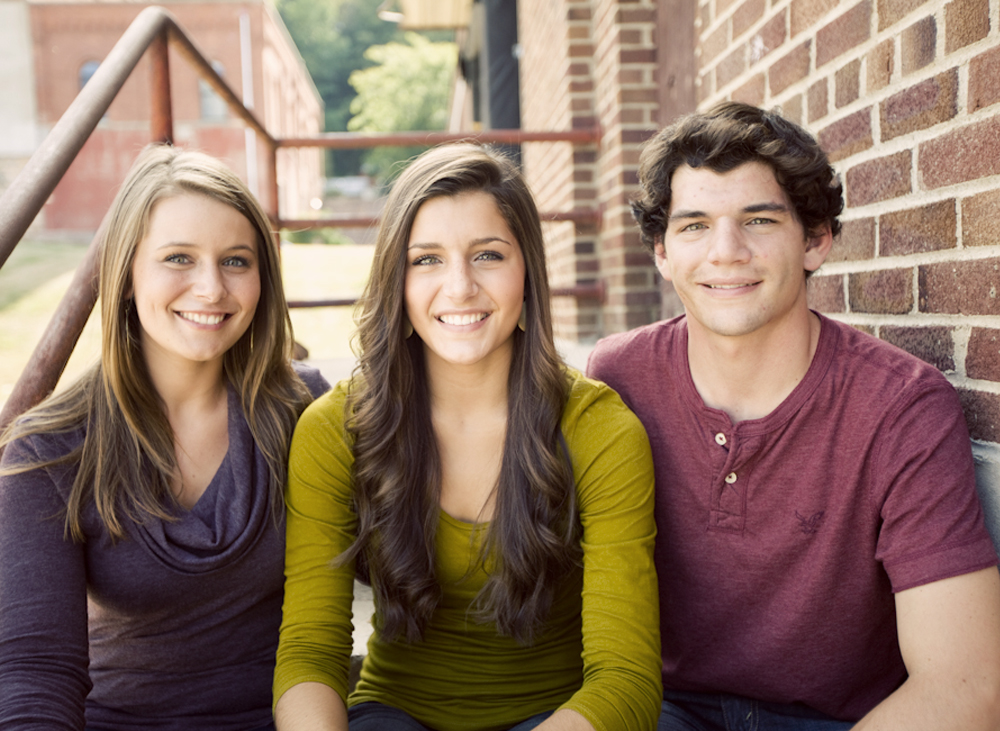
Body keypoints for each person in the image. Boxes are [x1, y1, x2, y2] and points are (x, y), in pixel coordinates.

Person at [587, 101, 1000, 730]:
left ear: (816, 240)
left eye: (758, 219)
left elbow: (964, 688)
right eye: (694, 225)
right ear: (662, 252)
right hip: (663, 711)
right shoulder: (618, 379)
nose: (726, 252)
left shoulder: (900, 406)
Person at [273, 143, 661, 731]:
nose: (459, 287)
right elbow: (310, 650)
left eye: (487, 255)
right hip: (395, 712)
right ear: (395, 283)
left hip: (557, 718)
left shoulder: (599, 429)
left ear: (527, 272)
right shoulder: (335, 429)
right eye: (426, 259)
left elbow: (626, 677)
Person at [0, 144, 329, 730]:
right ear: (125, 276)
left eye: (236, 261)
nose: (210, 289)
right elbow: (37, 668)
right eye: (179, 258)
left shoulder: (303, 410)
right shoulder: (49, 452)